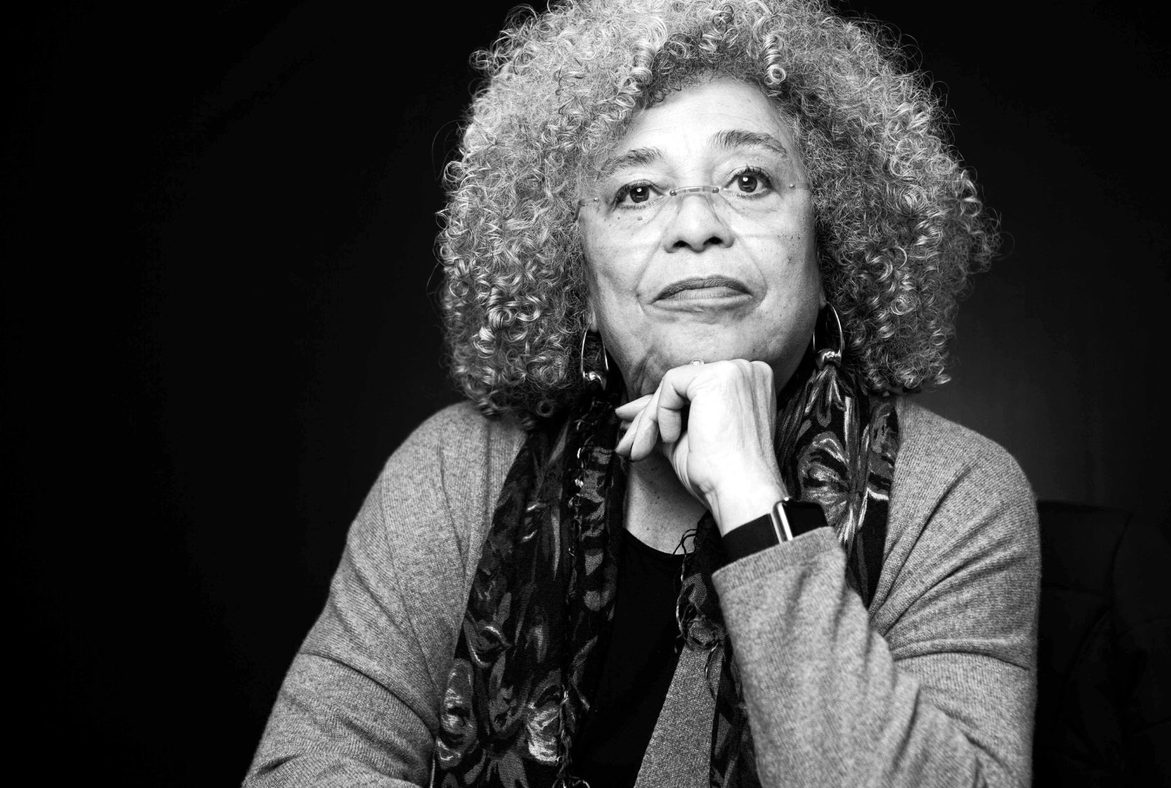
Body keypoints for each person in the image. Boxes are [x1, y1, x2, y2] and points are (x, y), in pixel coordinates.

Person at [246, 0, 1039, 785]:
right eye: (637, 191)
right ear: (579, 282)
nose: (696, 224)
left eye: (749, 180)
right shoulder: (458, 470)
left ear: (830, 245)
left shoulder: (951, 495)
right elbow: (300, 768)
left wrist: (754, 506)